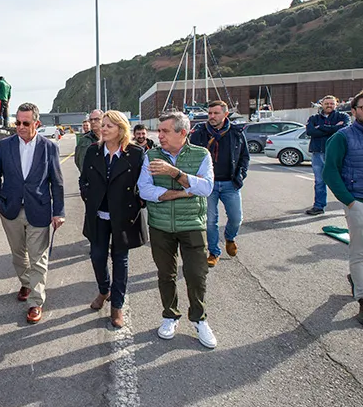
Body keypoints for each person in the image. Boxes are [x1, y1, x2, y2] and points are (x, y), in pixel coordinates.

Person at [137, 112, 217, 349]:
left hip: (192, 224)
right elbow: (144, 190)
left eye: (165, 131)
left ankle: (199, 319)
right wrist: (183, 191)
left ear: (183, 133)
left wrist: (174, 173)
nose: (159, 135)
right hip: (160, 226)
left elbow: (206, 188)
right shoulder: (150, 156)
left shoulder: (201, 154)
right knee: (166, 274)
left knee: (196, 274)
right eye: (159, 131)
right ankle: (170, 315)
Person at [0, 102, 65, 324]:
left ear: (37, 123)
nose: (20, 127)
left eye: (25, 123)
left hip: (39, 210)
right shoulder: (5, 146)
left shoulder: (49, 147)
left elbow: (57, 183)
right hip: (10, 210)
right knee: (18, 255)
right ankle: (26, 282)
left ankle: (35, 302)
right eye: (17, 122)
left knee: (38, 259)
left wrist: (58, 211)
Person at [80, 111, 145, 328]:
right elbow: (84, 180)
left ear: (121, 129)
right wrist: (88, 196)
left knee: (120, 260)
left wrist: (137, 203)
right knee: (97, 256)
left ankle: (117, 305)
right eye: (103, 125)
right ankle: (103, 290)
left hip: (123, 217)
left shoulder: (135, 154)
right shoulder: (93, 151)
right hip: (98, 215)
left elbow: (142, 185)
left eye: (109, 126)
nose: (103, 128)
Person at [323, 89, 363, 327]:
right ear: (354, 111)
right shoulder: (342, 137)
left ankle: (358, 281)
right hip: (359, 201)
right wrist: (349, 201)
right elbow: (330, 171)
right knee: (361, 252)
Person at [189, 101, 250, 267]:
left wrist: (241, 174)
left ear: (225, 114)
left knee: (236, 218)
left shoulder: (236, 133)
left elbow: (245, 156)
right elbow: (189, 153)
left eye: (216, 113)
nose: (212, 117)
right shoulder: (199, 132)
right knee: (210, 221)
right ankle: (214, 252)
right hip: (208, 185)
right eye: (210, 113)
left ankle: (230, 238)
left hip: (230, 183)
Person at [306, 95, 351, 215]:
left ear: (336, 105)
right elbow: (310, 131)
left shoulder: (343, 116)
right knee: (319, 181)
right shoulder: (313, 118)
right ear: (322, 104)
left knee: (344, 180)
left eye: (332, 104)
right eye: (327, 103)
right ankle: (319, 207)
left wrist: (320, 128)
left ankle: (350, 206)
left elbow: (344, 129)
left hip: (337, 153)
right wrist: (333, 127)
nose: (329, 106)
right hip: (318, 153)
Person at [75, 109, 103, 174]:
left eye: (96, 119)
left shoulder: (109, 139)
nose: (93, 122)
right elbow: (78, 160)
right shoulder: (84, 140)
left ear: (103, 120)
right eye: (91, 120)